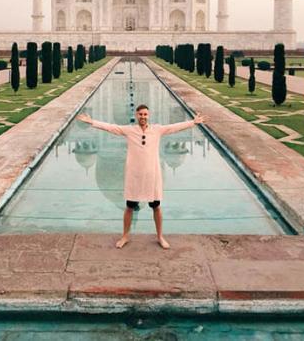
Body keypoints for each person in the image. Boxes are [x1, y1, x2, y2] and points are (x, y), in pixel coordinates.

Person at [76, 105, 207, 249]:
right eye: (140, 114)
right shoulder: (130, 130)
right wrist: (92, 122)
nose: (143, 117)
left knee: (156, 207)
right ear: (137, 115)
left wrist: (193, 123)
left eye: (145, 114)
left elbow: (173, 128)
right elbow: (111, 127)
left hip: (152, 174)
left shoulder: (156, 130)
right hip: (134, 175)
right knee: (129, 207)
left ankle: (160, 236)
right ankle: (125, 236)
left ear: (148, 115)